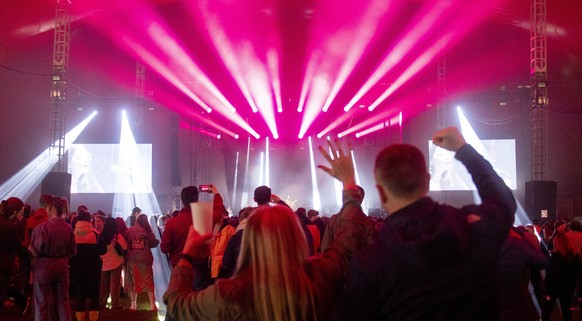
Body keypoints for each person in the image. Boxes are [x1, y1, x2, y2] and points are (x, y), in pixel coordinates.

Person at [164, 139, 369, 321]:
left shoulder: (229, 294)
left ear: (250, 240)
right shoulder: (319, 276)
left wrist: (187, 256)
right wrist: (349, 185)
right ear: (296, 237)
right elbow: (348, 238)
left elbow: (177, 304)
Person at [346, 127, 516, 320]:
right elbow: (503, 199)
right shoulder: (476, 229)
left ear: (381, 192)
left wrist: (348, 187)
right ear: (427, 181)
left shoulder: (370, 263)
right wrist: (463, 150)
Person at [29, 196, 77, 321]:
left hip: (44, 266)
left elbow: (34, 250)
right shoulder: (69, 228)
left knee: (42, 302)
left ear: (51, 208)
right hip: (62, 265)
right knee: (64, 302)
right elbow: (73, 251)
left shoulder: (42, 228)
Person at [70, 209, 103, 321]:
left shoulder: (73, 234)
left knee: (80, 294)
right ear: (90, 220)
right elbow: (102, 250)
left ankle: (80, 318)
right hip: (93, 268)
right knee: (94, 294)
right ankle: (93, 318)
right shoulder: (94, 234)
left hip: (77, 268)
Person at [124, 213, 159, 311]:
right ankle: (153, 305)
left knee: (132, 283)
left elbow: (125, 243)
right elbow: (153, 243)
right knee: (148, 282)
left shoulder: (129, 231)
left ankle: (133, 305)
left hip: (131, 259)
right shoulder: (147, 231)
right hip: (145, 259)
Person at [542, 233, 580, 321]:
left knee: (547, 309)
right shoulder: (573, 256)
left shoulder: (555, 257)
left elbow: (550, 275)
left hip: (555, 287)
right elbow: (577, 271)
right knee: (566, 309)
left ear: (556, 244)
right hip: (568, 287)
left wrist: (546, 291)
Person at [0, 197, 28, 314]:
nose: (21, 216)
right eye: (20, 213)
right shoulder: (8, 227)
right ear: (14, 212)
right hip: (2, 267)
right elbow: (17, 248)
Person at [99, 217, 127, 310]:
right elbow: (125, 247)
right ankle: (115, 304)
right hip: (115, 262)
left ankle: (102, 303)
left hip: (104, 264)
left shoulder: (101, 236)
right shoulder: (117, 236)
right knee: (114, 285)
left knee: (104, 285)